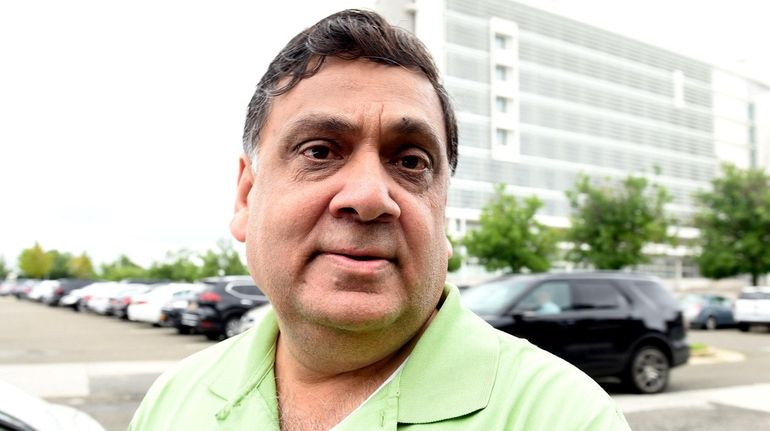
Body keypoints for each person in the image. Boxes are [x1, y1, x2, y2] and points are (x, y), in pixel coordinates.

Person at [129, 9, 630, 430]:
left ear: (444, 216)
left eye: (411, 161)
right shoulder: (173, 401)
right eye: (320, 151)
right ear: (246, 197)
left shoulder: (562, 416)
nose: (370, 197)